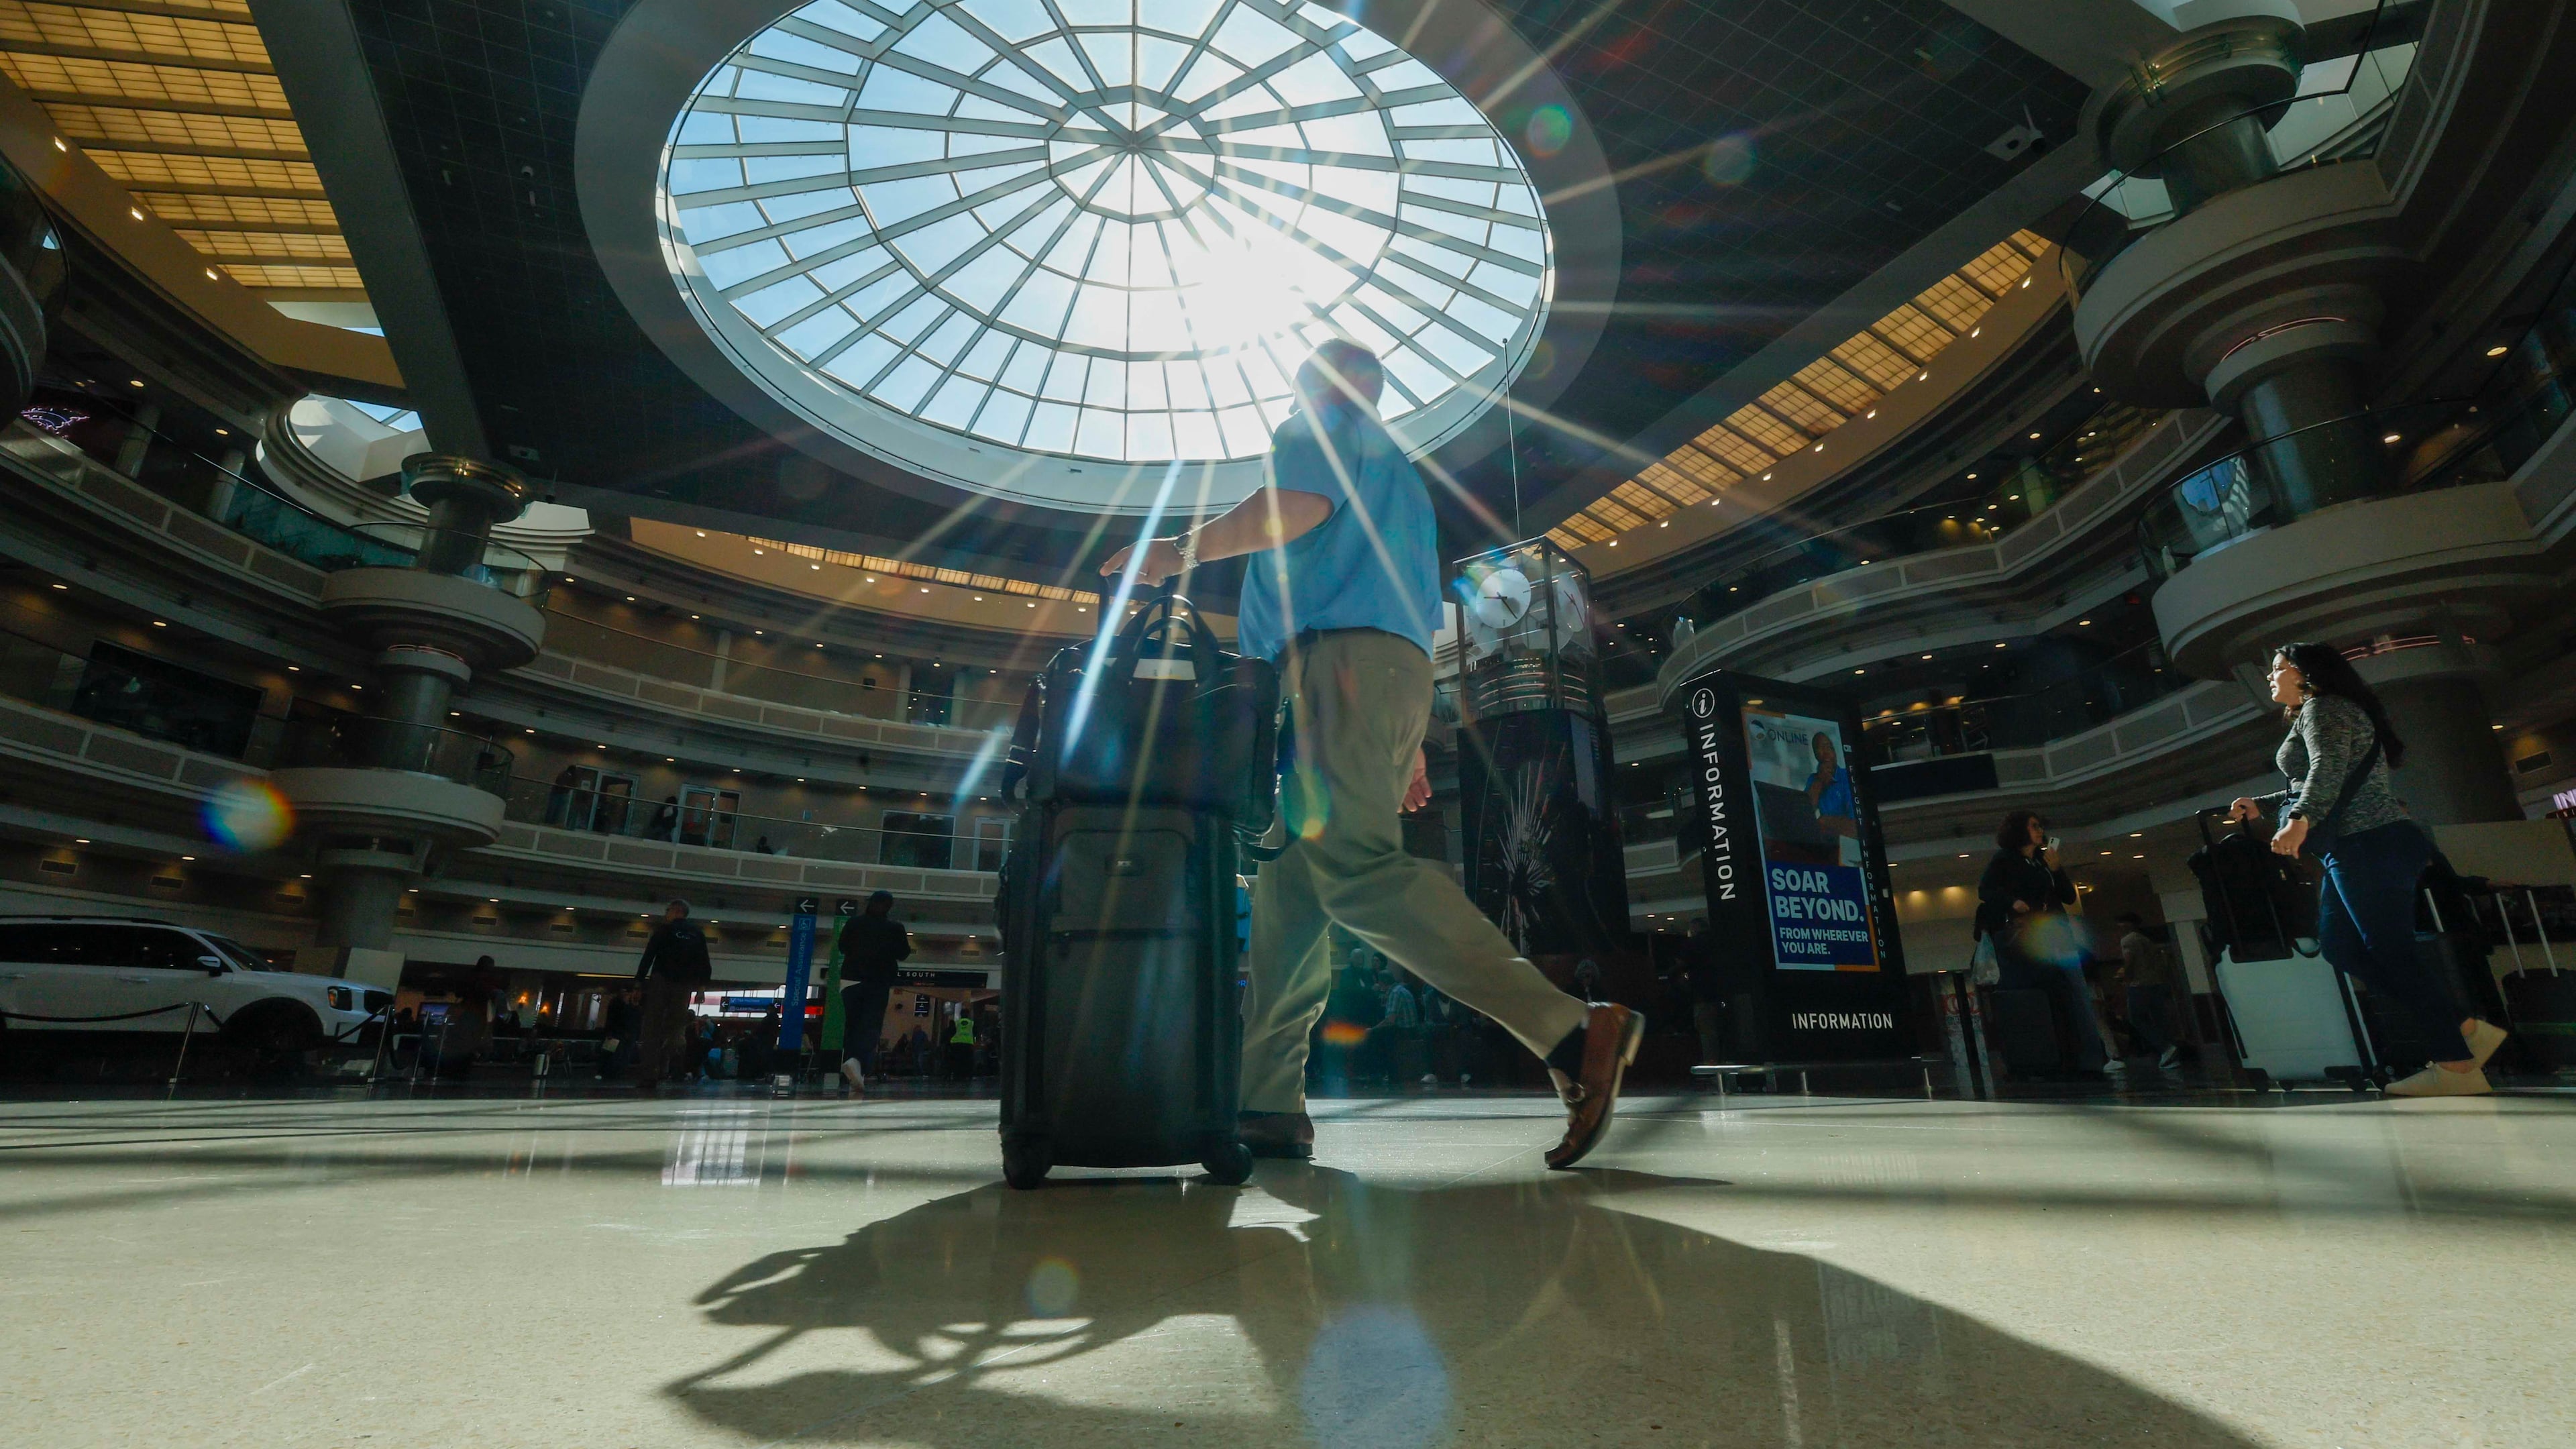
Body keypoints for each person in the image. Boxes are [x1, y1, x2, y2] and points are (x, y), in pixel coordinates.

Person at [1102, 338, 1640, 1169]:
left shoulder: (1316, 426)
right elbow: (1410, 615)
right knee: (1287, 901)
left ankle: (1570, 1031)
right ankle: (1265, 1103)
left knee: (1353, 870)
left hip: (1329, 671)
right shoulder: (1401, 480)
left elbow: (1293, 509)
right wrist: (1411, 747)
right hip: (1380, 679)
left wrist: (1176, 554)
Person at [2229, 643, 2511, 1096]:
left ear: (2306, 675)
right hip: (2353, 846)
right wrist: (2263, 805)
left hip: (2371, 843)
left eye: (2278, 669)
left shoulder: (2327, 708)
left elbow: (2328, 771)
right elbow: (2319, 778)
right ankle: (2466, 1029)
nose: (2270, 677)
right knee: (2342, 947)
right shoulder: (2317, 713)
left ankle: (2458, 1066)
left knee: (2389, 951)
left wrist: (2299, 820)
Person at [1976, 809, 2118, 1079]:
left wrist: (2057, 869)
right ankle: (2059, 1056)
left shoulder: (2043, 861)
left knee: (2074, 989)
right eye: (2034, 826)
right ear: (2020, 831)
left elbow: (2066, 896)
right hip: (2030, 933)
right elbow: (1985, 890)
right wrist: (2011, 902)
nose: (2040, 831)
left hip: (2055, 930)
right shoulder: (2005, 860)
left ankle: (2089, 1056)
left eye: (2040, 826)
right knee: (2051, 992)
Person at [836, 890, 912, 1095]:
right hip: (877, 981)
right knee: (870, 1025)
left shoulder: (854, 923)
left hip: (850, 980)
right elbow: (903, 954)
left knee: (853, 1023)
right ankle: (858, 1064)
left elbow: (842, 946)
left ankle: (853, 1066)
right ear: (889, 906)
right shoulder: (895, 928)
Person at [633, 898, 712, 1087]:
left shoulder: (664, 931)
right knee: (677, 1029)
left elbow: (649, 957)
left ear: (676, 911)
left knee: (652, 1027)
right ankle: (673, 1066)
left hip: (661, 982)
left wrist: (638, 983)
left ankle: (650, 1074)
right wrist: (701, 988)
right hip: (684, 985)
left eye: (668, 910)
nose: (666, 914)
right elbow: (704, 963)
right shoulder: (696, 933)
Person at [2114, 912, 2186, 1072]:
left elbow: (2129, 961)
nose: (2120, 927)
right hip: (2156, 984)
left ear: (2129, 924)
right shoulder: (2146, 940)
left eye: (2122, 923)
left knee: (2137, 1019)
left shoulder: (2128, 940)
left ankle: (2165, 1048)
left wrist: (2123, 976)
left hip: (2139, 985)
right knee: (2159, 1019)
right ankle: (2170, 1053)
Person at [1682, 918, 1729, 1065]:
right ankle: (1726, 1062)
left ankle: (1711, 1067)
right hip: (1721, 993)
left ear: (1694, 928)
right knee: (1722, 1030)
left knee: (1707, 1033)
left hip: (1702, 995)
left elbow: (1682, 965)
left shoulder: (1693, 944)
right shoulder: (1718, 942)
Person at [1805, 732, 1859, 847]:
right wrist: (1820, 782)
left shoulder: (1847, 777)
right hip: (1826, 844)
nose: (1826, 752)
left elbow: (1856, 826)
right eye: (1820, 748)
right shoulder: (1814, 779)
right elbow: (1804, 814)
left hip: (1848, 845)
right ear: (1816, 755)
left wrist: (1825, 821)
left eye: (1829, 747)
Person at [598, 987, 640, 1081]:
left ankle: (607, 1073)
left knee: (611, 1054)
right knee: (618, 1055)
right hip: (618, 1034)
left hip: (614, 1033)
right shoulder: (625, 1006)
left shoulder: (616, 1004)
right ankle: (613, 1073)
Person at [945, 1010, 977, 1081]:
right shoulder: (972, 1023)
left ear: (961, 1015)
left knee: (957, 1060)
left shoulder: (957, 1023)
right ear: (968, 1015)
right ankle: (966, 1075)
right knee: (967, 1061)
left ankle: (956, 1074)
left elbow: (951, 1032)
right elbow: (975, 1033)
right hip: (968, 1044)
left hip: (957, 1044)